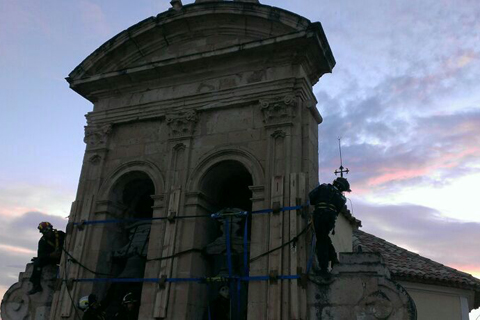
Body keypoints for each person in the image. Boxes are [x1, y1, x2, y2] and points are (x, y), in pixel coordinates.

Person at [308, 177, 351, 274]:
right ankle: (333, 258)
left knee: (321, 241)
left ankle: (324, 268)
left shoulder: (323, 187)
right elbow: (337, 211)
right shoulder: (342, 198)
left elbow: (311, 198)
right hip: (330, 220)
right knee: (324, 237)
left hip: (320, 216)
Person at [28, 221, 65, 295]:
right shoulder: (43, 241)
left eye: (48, 230)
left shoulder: (60, 235)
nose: (47, 232)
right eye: (45, 231)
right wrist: (50, 255)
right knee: (38, 263)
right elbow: (41, 255)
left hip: (64, 256)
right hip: (52, 258)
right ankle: (36, 285)